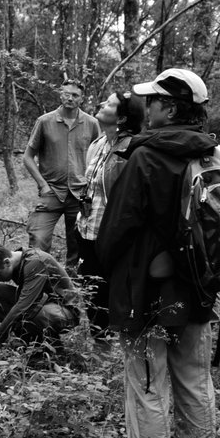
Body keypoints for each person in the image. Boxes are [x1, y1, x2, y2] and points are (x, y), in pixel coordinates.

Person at [97, 68, 220, 438]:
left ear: (169, 108)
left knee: (148, 388)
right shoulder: (212, 155)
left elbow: (114, 230)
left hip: (146, 294)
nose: (145, 107)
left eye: (152, 101)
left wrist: (106, 268)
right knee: (194, 381)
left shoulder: (146, 157)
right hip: (198, 289)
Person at [76, 91, 146, 338]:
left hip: (111, 234)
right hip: (86, 228)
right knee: (90, 288)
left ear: (121, 119)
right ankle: (99, 342)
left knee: (110, 291)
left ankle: (116, 343)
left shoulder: (131, 150)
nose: (101, 104)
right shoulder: (97, 144)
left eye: (109, 104)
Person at [24, 80, 101, 270]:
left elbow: (100, 155)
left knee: (78, 244)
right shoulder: (44, 121)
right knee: (38, 240)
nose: (70, 98)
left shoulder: (91, 123)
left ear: (82, 99)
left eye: (75, 95)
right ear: (61, 94)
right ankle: (39, 282)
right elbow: (28, 157)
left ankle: (71, 290)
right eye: (66, 93)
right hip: (51, 192)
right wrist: (42, 185)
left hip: (80, 194)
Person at [0, 244, 82, 346]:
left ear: (7, 262)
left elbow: (23, 306)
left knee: (32, 312)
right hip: (42, 302)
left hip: (66, 311)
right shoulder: (18, 260)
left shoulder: (36, 262)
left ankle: (51, 346)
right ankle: (25, 336)